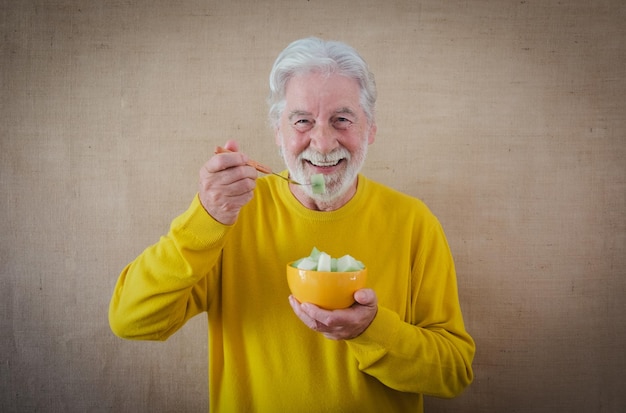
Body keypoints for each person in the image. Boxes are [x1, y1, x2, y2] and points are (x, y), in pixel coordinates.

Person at [109, 37, 475, 412]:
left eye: (342, 120)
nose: (322, 142)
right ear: (278, 132)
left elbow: (453, 373)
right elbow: (131, 321)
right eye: (302, 121)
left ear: (370, 130)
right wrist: (206, 217)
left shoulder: (414, 222)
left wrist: (371, 331)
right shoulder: (232, 215)